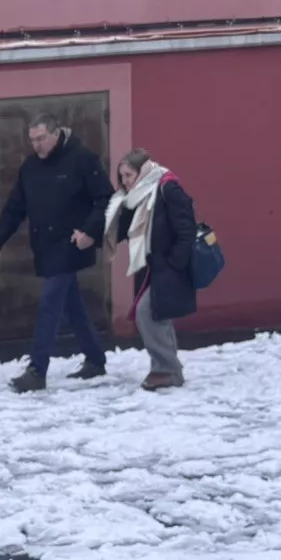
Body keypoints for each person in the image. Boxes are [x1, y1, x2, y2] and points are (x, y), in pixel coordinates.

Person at [0, 114, 113, 393]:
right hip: (44, 246)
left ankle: (37, 370)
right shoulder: (30, 167)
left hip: (72, 244)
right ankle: (95, 359)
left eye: (41, 138)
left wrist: (89, 231)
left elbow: (106, 199)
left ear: (56, 133)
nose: (37, 145)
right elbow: (14, 208)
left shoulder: (82, 159)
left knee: (49, 304)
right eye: (32, 140)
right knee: (72, 305)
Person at [106, 149, 198, 390]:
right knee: (158, 314)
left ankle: (166, 369)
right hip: (155, 266)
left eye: (129, 175)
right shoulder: (139, 195)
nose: (125, 181)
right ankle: (169, 371)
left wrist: (174, 262)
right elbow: (124, 227)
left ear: (143, 172)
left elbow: (186, 229)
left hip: (170, 266)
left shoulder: (167, 188)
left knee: (147, 312)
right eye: (122, 176)